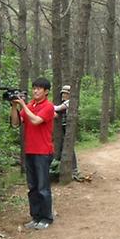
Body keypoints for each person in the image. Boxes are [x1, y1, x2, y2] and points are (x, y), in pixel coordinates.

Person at [11, 78, 55, 229]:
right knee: (33, 187)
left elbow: (36, 120)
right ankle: (35, 217)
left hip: (43, 151)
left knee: (43, 187)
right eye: (34, 88)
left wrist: (23, 105)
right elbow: (16, 123)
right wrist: (14, 107)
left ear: (46, 91)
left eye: (39, 89)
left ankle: (46, 218)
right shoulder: (30, 105)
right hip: (30, 150)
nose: (35, 91)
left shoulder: (49, 107)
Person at [53, 84, 79, 179]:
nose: (63, 95)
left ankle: (74, 169)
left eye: (66, 94)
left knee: (69, 148)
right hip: (63, 127)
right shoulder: (66, 102)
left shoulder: (69, 102)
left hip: (67, 128)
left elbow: (57, 108)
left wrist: (46, 106)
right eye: (63, 94)